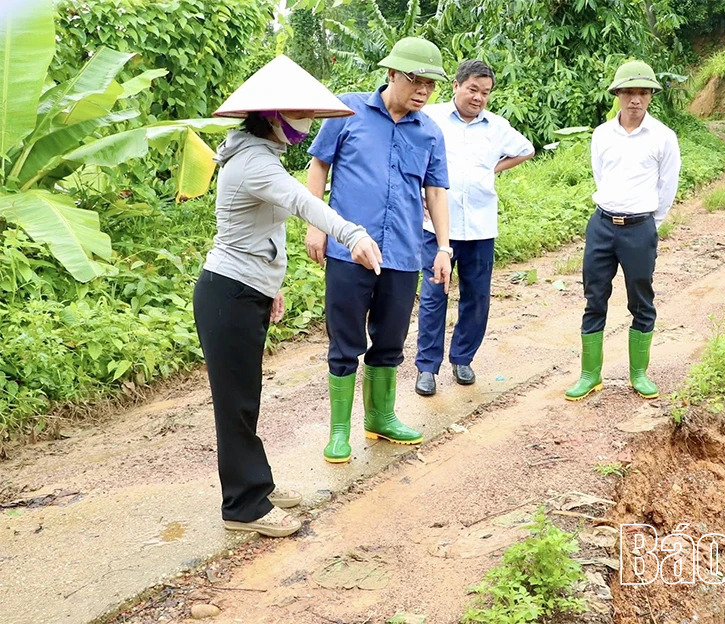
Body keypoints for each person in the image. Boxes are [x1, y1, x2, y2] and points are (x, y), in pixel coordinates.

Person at [195, 54, 383, 537]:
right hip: (228, 292)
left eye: (309, 114)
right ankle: (243, 507)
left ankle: (257, 484)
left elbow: (263, 230)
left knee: (246, 397)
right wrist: (353, 234)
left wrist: (272, 285)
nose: (306, 123)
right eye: (298, 114)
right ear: (271, 115)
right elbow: (303, 202)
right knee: (235, 403)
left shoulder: (260, 154)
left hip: (245, 289)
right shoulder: (255, 163)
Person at [304, 37, 452, 463]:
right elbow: (319, 165)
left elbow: (436, 192)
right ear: (391, 74)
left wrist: (444, 248)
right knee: (344, 340)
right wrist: (315, 225)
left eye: (431, 84)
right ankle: (338, 432)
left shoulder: (430, 133)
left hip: (403, 253)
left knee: (390, 339)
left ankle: (381, 417)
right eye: (416, 80)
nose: (423, 90)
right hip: (347, 251)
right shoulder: (347, 110)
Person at [414, 59, 535, 396]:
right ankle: (427, 367)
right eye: (473, 89)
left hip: (480, 226)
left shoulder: (497, 126)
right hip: (437, 227)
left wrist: (491, 170)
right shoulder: (430, 118)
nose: (479, 97)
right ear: (456, 86)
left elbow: (526, 150)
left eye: (485, 92)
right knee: (433, 296)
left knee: (477, 297)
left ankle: (463, 358)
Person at [565, 59, 681, 402]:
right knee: (594, 297)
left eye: (643, 92)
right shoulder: (602, 134)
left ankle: (639, 374)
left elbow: (667, 187)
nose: (636, 99)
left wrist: (648, 227)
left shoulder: (663, 137)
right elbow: (601, 176)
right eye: (629, 92)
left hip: (640, 229)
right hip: (602, 226)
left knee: (641, 299)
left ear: (651, 96)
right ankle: (590, 374)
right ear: (617, 94)